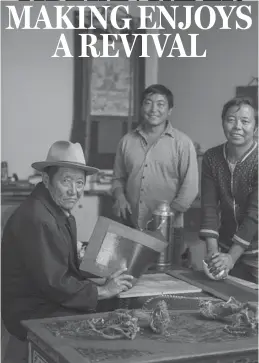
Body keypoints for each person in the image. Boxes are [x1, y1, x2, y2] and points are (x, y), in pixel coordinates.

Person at [1, 141, 134, 345]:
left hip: (47, 299)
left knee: (119, 310)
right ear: (46, 179)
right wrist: (104, 290)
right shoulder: (38, 218)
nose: (74, 191)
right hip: (30, 310)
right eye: (66, 181)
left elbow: (62, 265)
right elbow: (56, 283)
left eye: (79, 183)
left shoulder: (57, 211)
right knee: (109, 327)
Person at [112, 84, 199, 261]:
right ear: (141, 107)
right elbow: (118, 179)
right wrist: (120, 197)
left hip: (169, 230)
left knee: (168, 278)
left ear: (170, 110)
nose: (153, 109)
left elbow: (190, 189)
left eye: (160, 104)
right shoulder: (126, 141)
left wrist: (165, 219)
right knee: (129, 278)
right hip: (132, 225)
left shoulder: (182, 143)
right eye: (148, 103)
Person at [200, 97, 258, 283]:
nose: (237, 126)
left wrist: (232, 258)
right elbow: (209, 206)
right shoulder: (212, 157)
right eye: (231, 119)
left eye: (245, 121)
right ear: (223, 122)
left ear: (255, 127)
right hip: (224, 247)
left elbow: (255, 215)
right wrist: (213, 253)